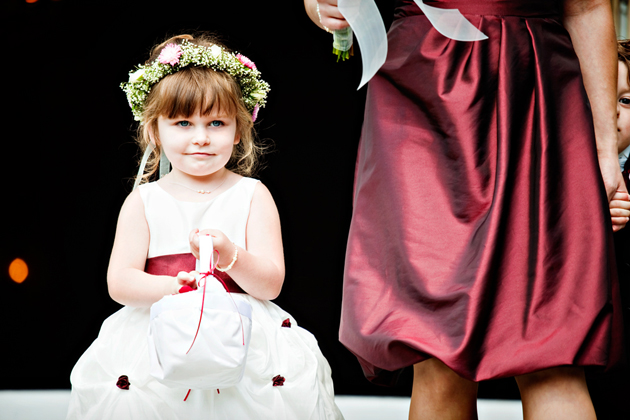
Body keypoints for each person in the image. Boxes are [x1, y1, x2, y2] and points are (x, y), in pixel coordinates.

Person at [305, 1, 625, 419]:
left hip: (535, 90)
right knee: (436, 350)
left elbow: (587, 7)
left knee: (553, 351)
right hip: (422, 90)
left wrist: (603, 147)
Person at [66, 33, 344, 420]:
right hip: (159, 334)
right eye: (182, 122)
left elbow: (270, 283)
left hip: (243, 337)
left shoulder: (253, 194)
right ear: (154, 130)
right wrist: (175, 287)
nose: (200, 138)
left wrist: (232, 256)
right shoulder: (143, 201)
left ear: (239, 128)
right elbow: (120, 282)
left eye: (216, 122)